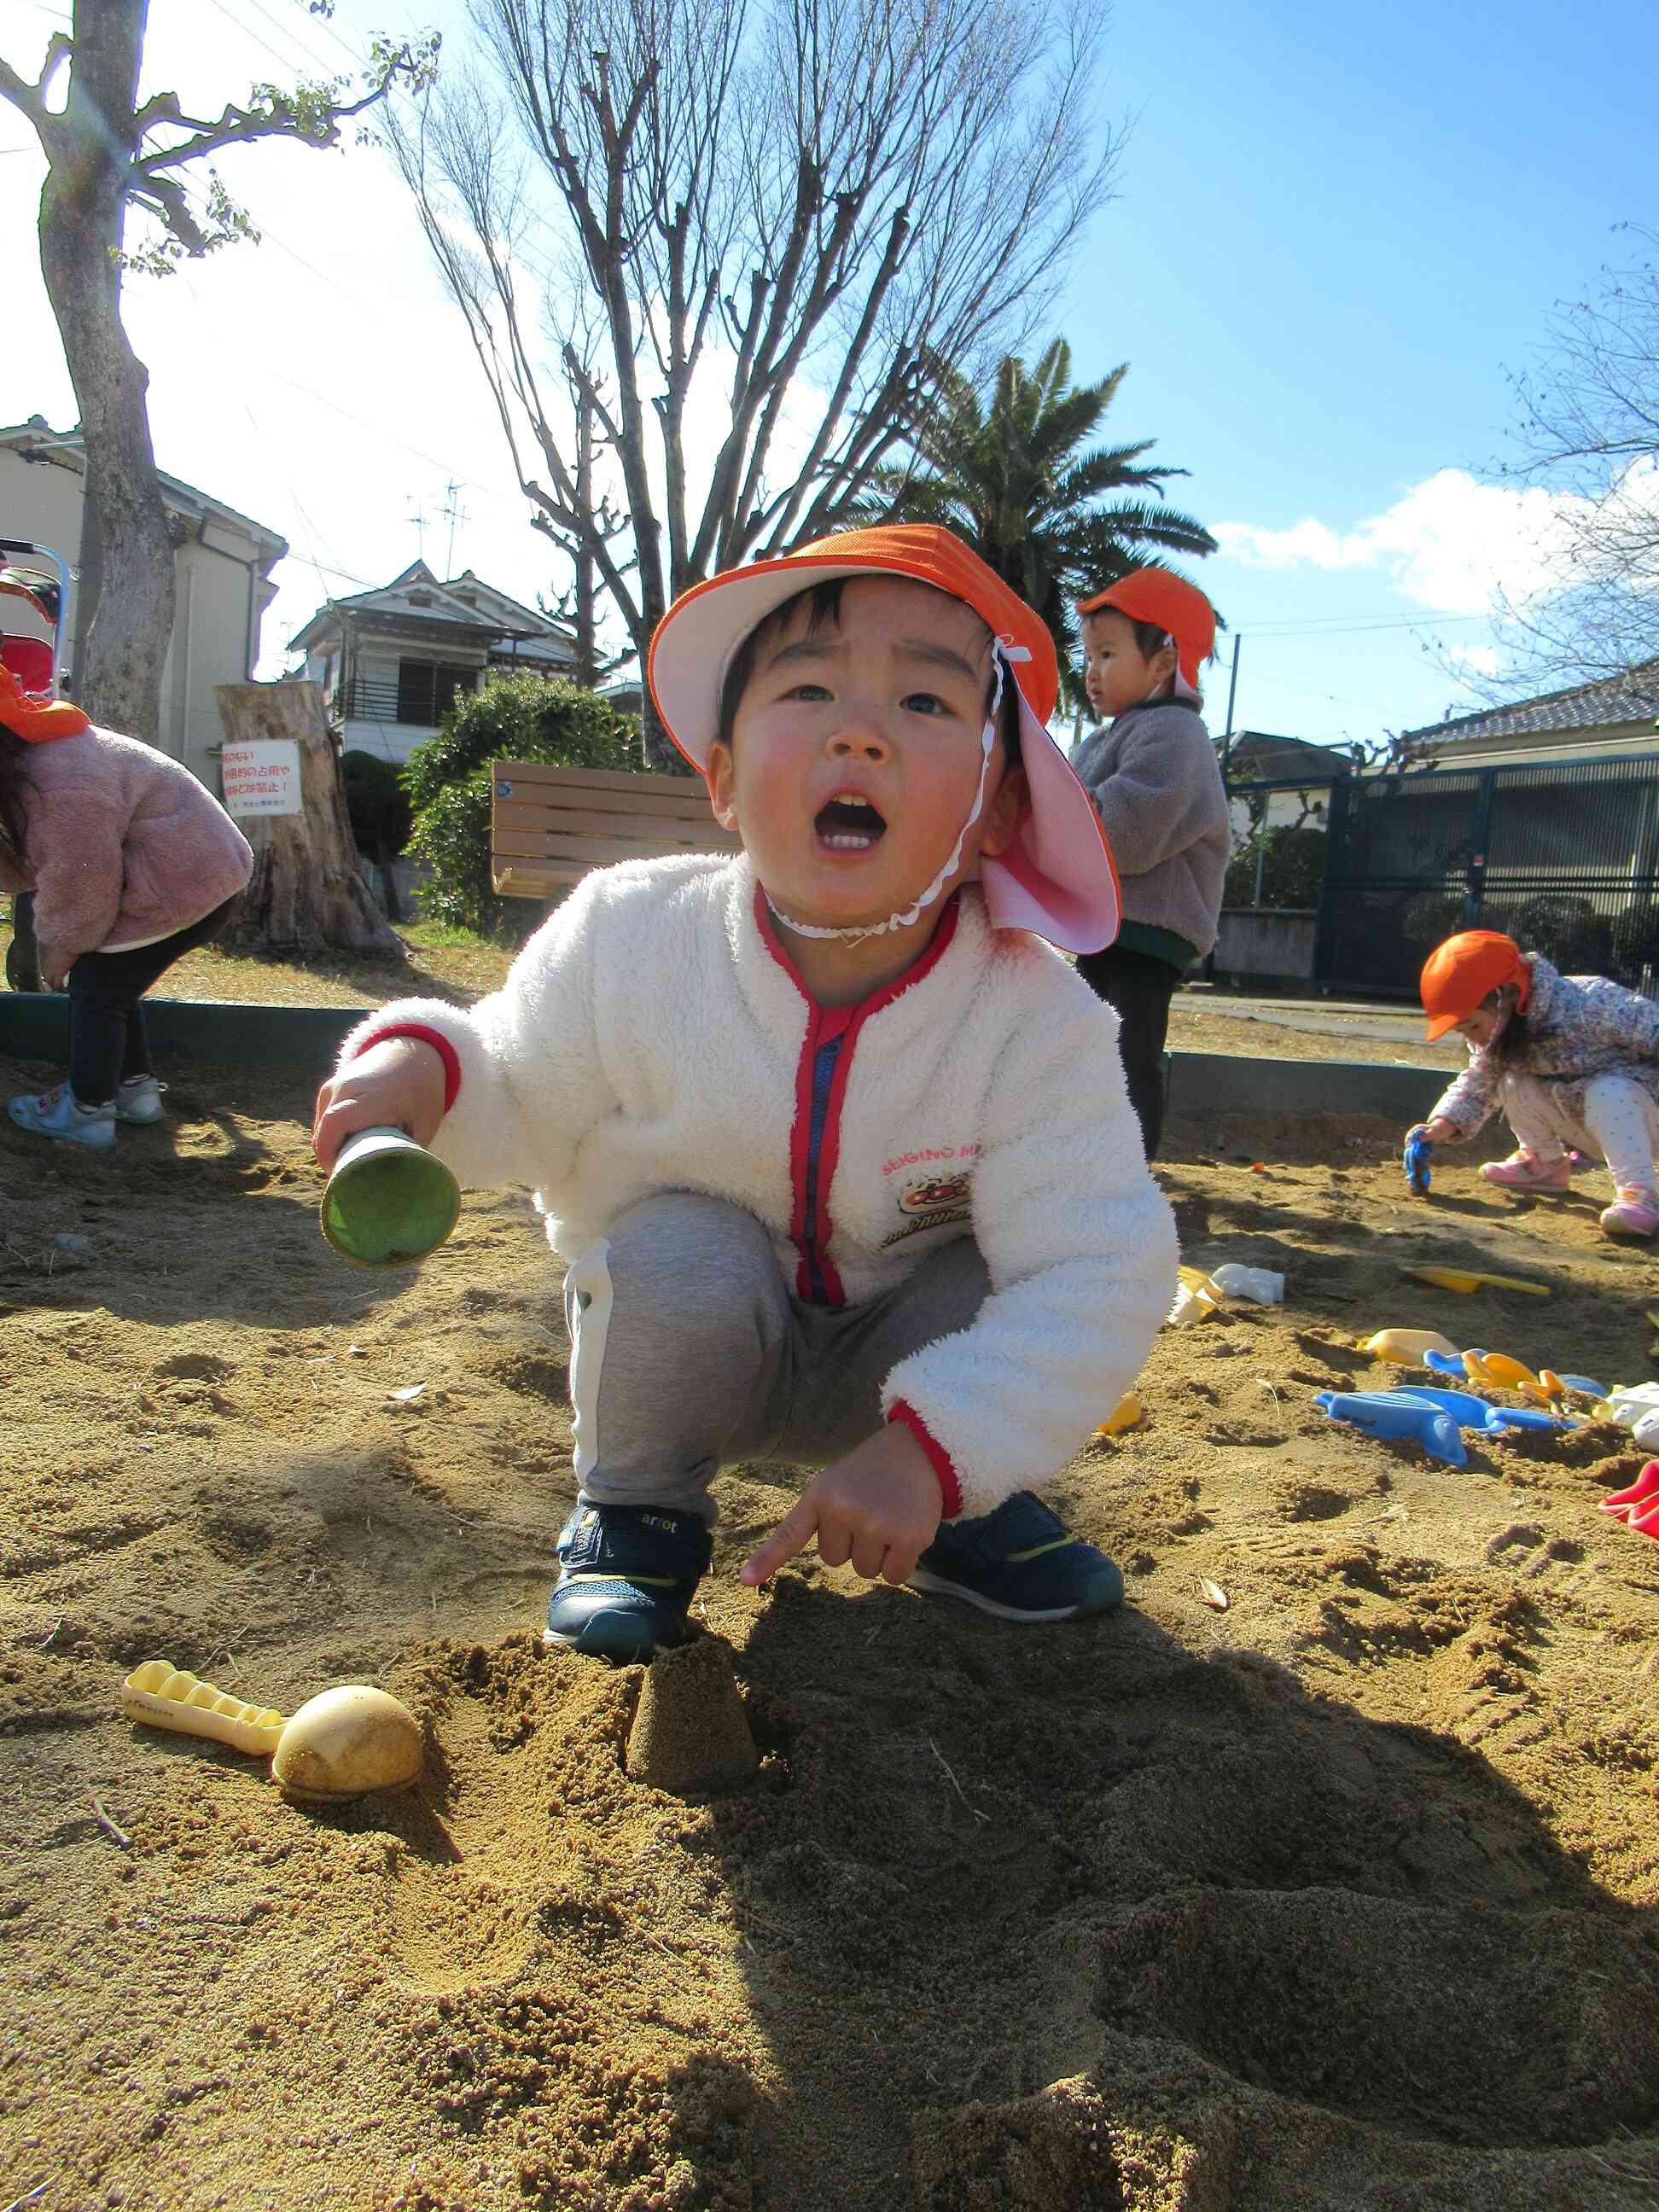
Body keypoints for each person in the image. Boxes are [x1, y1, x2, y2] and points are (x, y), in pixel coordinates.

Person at [312, 524, 1177, 1662]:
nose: (858, 732)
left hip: (905, 1375)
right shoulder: (633, 938)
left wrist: (940, 1449)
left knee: (996, 1268)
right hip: (695, 1351)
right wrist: (423, 1069)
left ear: (1001, 810)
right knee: (674, 1244)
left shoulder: (1032, 1017)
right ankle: (635, 1514)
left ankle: (966, 1501)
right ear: (720, 780)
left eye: (924, 704)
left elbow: (1102, 1264)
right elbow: (519, 1087)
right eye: (808, 689)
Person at [0, 667, 253, 1150]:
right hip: (194, 868)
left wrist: (62, 944)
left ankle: (87, 1111)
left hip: (184, 875)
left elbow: (81, 874)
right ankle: (134, 1091)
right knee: (114, 981)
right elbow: (34, 856)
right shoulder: (34, 760)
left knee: (96, 987)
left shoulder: (56, 778)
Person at [1068, 568, 1229, 1159]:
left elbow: (1130, 834)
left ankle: (1128, 1171)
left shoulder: (1175, 733)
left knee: (1127, 1051)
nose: (1091, 670)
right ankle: (1088, 1158)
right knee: (1087, 1047)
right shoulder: (1106, 738)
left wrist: (1063, 816)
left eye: (1107, 654)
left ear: (1162, 665)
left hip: (1150, 930)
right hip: (1108, 925)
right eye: (1088, 655)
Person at [1407, 928, 1659, 1239]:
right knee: (1512, 1079)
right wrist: (1440, 1126)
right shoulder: (1501, 1037)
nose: (1472, 1037)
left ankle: (1640, 1192)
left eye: (1473, 1024)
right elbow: (1478, 1083)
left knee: (1609, 1090)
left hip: (1640, 1115)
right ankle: (1545, 1163)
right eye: (1462, 1031)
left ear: (1508, 995)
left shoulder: (1593, 1003)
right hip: (1588, 1118)